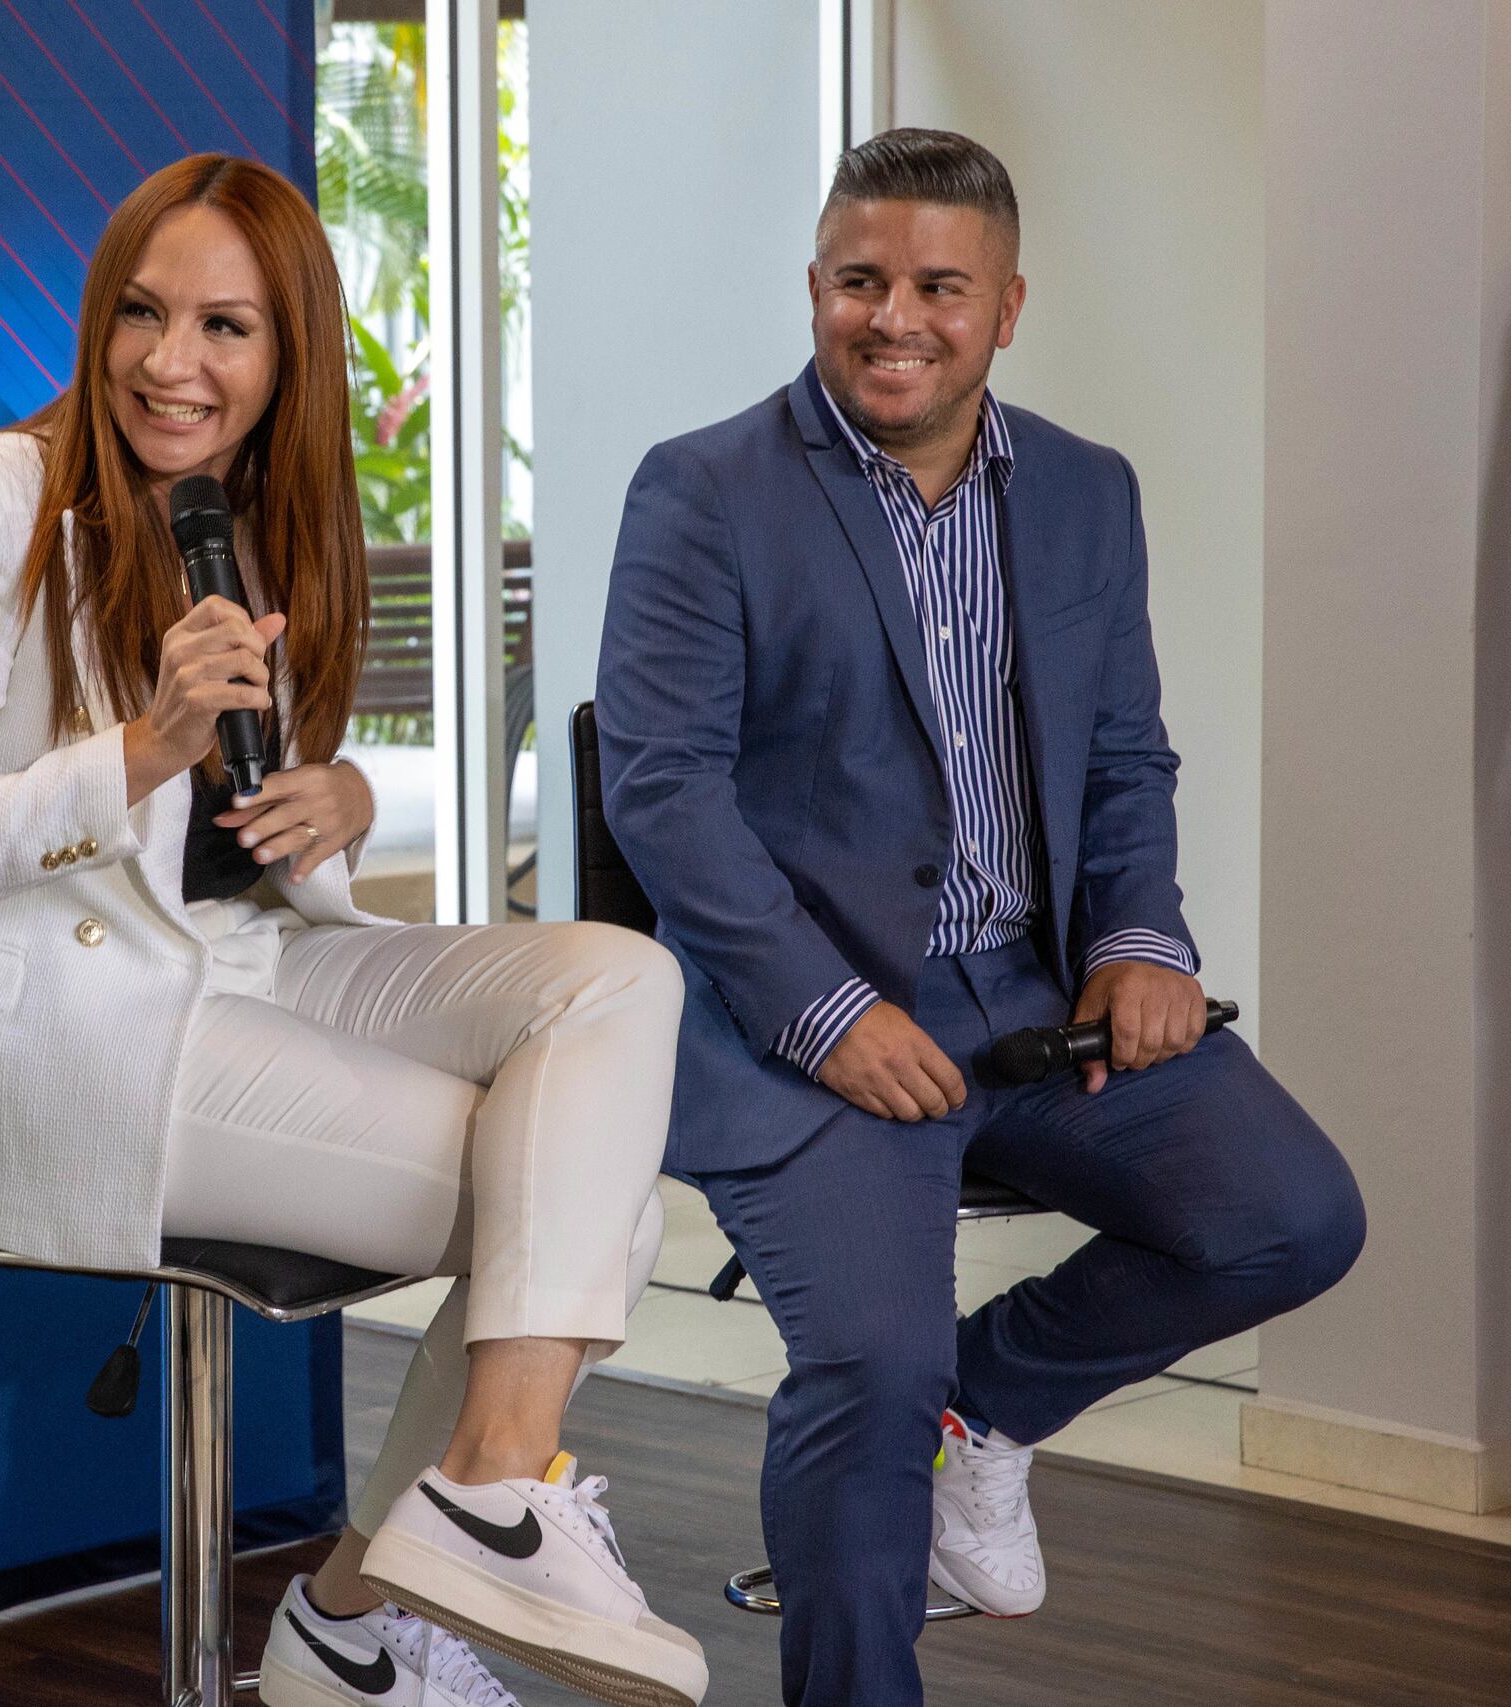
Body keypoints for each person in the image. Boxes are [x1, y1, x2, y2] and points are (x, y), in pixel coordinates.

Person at [0, 153, 706, 1707]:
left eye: (226, 327)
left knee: (619, 977)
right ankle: (375, 1600)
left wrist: (347, 799)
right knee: (599, 1215)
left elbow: (256, 836)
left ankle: (446, 1533)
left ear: (288, 353)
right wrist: (142, 753)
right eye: (144, 315)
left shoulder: (262, 517)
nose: (174, 362)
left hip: (255, 962)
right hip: (54, 1020)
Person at [595, 128, 1366, 1707]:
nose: (896, 319)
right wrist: (827, 1010)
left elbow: (1124, 757)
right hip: (801, 1026)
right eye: (861, 282)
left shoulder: (1087, 489)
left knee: (1298, 1214)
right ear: (815, 289)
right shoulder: (705, 489)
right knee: (870, 1367)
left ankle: (987, 1407)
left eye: (939, 286)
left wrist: (1143, 939)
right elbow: (663, 793)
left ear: (1006, 307)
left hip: (1033, 1002)